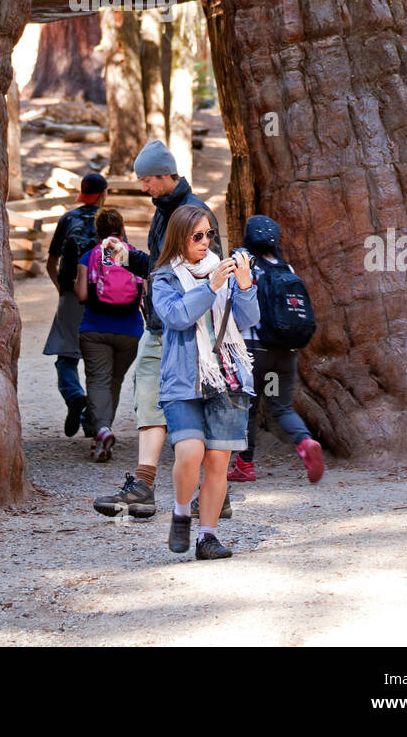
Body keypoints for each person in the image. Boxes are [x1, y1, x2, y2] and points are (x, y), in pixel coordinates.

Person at [92, 139, 224, 521]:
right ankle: (145, 487)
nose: (143, 187)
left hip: (187, 327)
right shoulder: (164, 212)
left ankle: (213, 490)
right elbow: (163, 266)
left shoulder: (194, 212)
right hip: (159, 323)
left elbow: (208, 270)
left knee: (197, 404)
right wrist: (128, 258)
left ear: (167, 174)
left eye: (148, 180)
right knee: (149, 393)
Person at [151, 205, 260, 560]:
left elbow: (247, 319)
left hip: (228, 376)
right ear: (179, 239)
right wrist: (211, 287)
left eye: (209, 235)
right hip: (184, 380)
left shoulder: (222, 272)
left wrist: (244, 287)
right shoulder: (165, 279)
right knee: (190, 452)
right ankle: (182, 511)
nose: (205, 242)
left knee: (217, 462)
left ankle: (208, 537)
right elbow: (178, 317)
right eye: (197, 236)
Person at [227, 215, 324, 485]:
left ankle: (244, 465)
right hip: (284, 352)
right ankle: (304, 442)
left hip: (253, 351)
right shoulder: (286, 268)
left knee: (248, 407)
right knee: (280, 406)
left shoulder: (242, 262)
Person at [75, 207, 144, 462]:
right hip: (130, 329)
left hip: (95, 328)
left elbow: (82, 294)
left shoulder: (89, 256)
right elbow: (143, 293)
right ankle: (103, 433)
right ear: (122, 229)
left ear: (97, 231)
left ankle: (102, 430)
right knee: (114, 381)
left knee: (98, 381)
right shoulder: (133, 254)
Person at [43, 172, 108, 439]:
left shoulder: (67, 219)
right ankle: (92, 421)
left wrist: (64, 292)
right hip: (104, 299)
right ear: (104, 194)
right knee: (99, 364)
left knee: (66, 359)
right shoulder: (109, 221)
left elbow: (51, 263)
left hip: (71, 296)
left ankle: (74, 396)